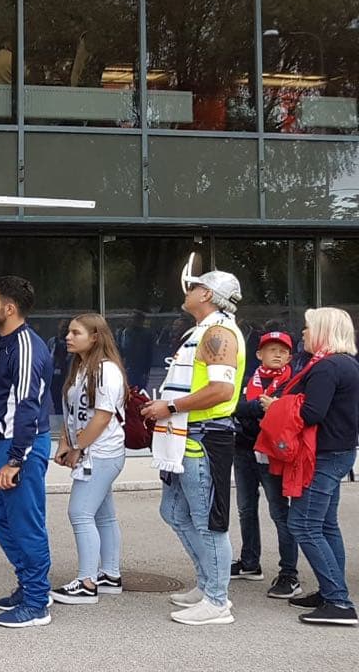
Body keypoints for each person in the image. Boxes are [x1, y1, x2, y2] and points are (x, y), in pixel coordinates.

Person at [140, 258, 246, 626]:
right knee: (175, 513)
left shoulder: (219, 333)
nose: (187, 291)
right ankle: (208, 585)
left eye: (194, 286)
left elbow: (221, 389)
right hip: (187, 436)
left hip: (202, 436)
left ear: (207, 294)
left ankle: (217, 600)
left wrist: (168, 405)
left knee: (207, 521)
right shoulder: (206, 331)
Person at [0, 275, 54, 628]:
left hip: (23, 447)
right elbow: (8, 399)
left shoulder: (26, 346)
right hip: (3, 443)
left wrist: (17, 459)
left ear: (9, 308)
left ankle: (37, 603)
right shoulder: (5, 343)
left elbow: (28, 406)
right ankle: (31, 584)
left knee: (26, 523)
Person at [268, 308, 359, 626]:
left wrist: (277, 406)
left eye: (307, 328)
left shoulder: (326, 367)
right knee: (325, 525)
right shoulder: (346, 363)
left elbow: (312, 413)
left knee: (303, 525)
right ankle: (331, 591)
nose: (302, 333)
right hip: (339, 452)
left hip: (322, 455)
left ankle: (339, 602)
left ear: (323, 330)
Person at [50, 314, 127, 606]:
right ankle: (109, 574)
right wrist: (65, 443)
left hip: (102, 453)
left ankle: (86, 583)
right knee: (102, 515)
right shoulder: (81, 368)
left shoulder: (106, 371)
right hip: (92, 450)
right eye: (68, 332)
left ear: (95, 336)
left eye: (75, 332)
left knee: (79, 513)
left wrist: (78, 448)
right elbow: (74, 413)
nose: (68, 337)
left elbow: (102, 417)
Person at [230, 331, 302, 599]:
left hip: (274, 455)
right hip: (244, 450)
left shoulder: (293, 383)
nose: (277, 354)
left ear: (290, 356)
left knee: (280, 513)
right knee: (246, 509)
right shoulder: (248, 380)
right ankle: (250, 562)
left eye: (283, 351)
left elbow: (292, 412)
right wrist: (260, 408)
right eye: (271, 349)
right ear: (259, 354)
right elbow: (233, 407)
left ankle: (289, 574)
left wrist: (269, 408)